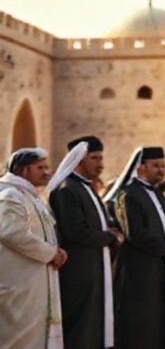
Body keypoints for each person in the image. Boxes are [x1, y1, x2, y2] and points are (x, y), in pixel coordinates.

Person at [49, 136, 121, 349]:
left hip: (95, 266)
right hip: (79, 270)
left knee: (92, 323)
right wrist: (110, 237)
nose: (101, 164)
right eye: (95, 158)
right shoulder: (67, 189)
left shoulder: (85, 188)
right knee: (79, 324)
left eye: (101, 157)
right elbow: (76, 232)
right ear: (80, 159)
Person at [113, 147, 165, 349]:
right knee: (141, 315)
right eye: (156, 166)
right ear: (141, 168)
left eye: (163, 166)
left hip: (162, 263)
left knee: (159, 312)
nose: (161, 170)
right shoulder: (129, 195)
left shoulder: (159, 196)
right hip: (140, 266)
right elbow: (135, 233)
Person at [0, 148, 67, 349]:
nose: (47, 172)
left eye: (47, 167)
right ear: (24, 170)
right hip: (20, 283)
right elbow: (12, 233)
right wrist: (50, 253)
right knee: (19, 338)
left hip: (36, 281)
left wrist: (56, 251)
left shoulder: (31, 196)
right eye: (41, 167)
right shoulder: (10, 194)